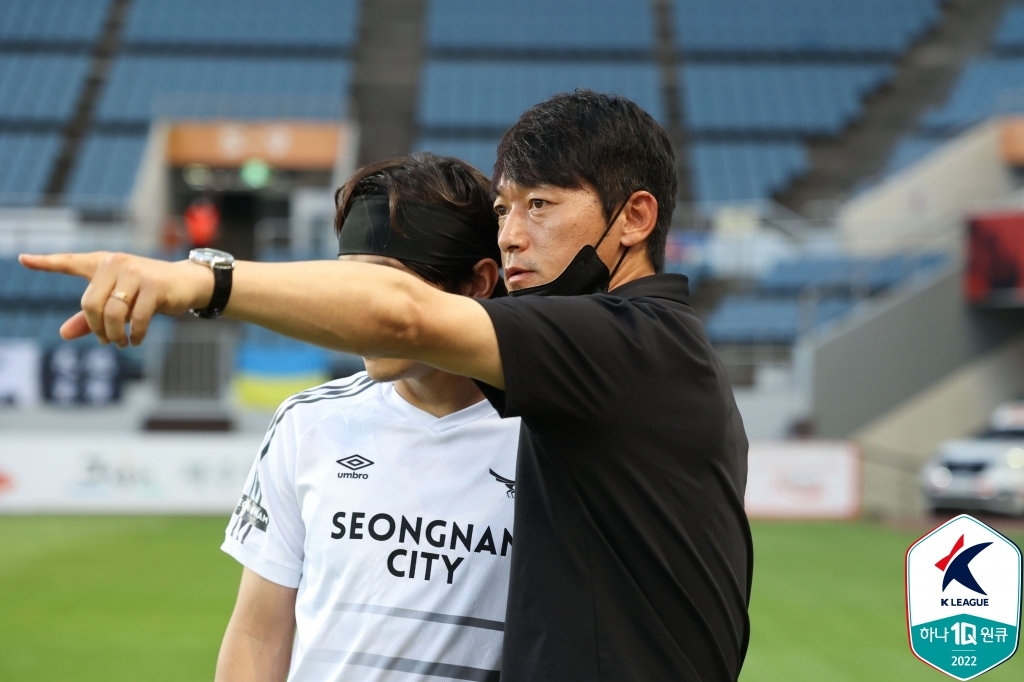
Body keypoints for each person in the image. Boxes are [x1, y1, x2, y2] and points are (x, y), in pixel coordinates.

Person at [23, 89, 752, 681]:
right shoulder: (587, 375)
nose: (512, 234)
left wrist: (198, 277)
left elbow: (404, 319)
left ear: (636, 217)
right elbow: (256, 634)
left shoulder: (633, 347)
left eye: (541, 205)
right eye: (504, 208)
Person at [215, 154, 519, 682]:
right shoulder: (307, 423)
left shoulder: (548, 438)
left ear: (477, 283)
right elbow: (258, 633)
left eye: (378, 294)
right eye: (344, 292)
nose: (353, 320)